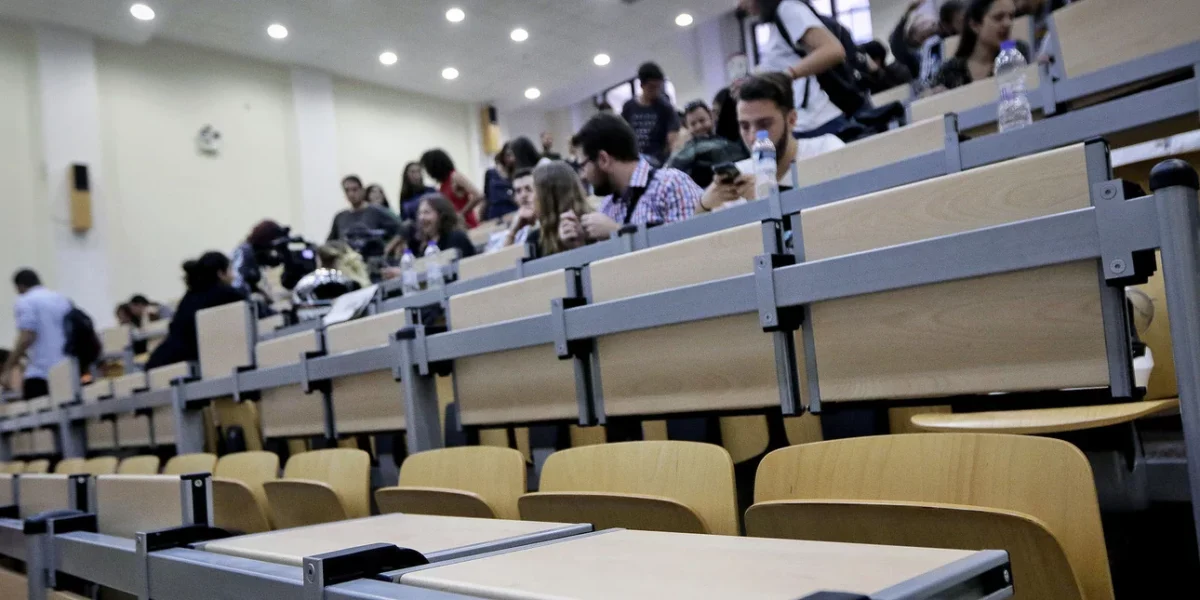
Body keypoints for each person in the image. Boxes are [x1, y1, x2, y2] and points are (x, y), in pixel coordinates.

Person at [697, 72, 845, 213]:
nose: (753, 137)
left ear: (791, 120)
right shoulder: (738, 178)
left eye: (764, 124)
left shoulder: (826, 150)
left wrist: (768, 200)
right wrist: (704, 206)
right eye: (745, 126)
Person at [572, 113, 702, 241]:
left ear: (603, 159)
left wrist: (618, 232)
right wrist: (577, 243)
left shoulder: (671, 184)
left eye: (583, 166)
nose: (582, 175)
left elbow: (692, 244)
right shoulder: (607, 208)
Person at [739, 0, 850, 138]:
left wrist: (787, 76)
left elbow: (833, 50)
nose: (740, 5)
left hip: (818, 120)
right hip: (804, 121)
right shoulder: (777, 23)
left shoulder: (788, 9)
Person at [145, 252, 246, 370]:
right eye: (230, 270)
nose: (233, 276)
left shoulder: (189, 296)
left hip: (161, 361)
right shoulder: (226, 293)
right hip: (182, 364)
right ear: (220, 273)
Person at [1, 269, 72, 399]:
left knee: (39, 408)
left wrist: (9, 366)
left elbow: (26, 336)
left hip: (41, 372)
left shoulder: (25, 301)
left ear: (20, 286)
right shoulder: (62, 299)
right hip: (67, 369)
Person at [928, 0, 1026, 91]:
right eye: (998, 17)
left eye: (1011, 17)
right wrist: (930, 93)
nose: (1008, 23)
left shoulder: (1016, 53)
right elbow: (927, 95)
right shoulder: (951, 71)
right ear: (975, 25)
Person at [667, 101, 750, 188]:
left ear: (711, 117)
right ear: (687, 127)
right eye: (693, 124)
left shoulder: (727, 139)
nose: (699, 126)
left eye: (702, 120)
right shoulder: (685, 151)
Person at [620, 62, 681, 166]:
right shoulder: (629, 107)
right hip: (634, 158)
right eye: (652, 87)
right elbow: (622, 135)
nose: (656, 91)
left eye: (658, 87)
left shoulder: (665, 108)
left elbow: (672, 139)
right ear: (642, 85)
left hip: (656, 160)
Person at [534, 161, 594, 257]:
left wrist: (578, 244)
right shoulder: (535, 240)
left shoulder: (594, 226)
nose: (531, 198)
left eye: (533, 191)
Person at [328, 175, 403, 244]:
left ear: (362, 190)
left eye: (354, 189)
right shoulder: (340, 217)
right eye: (347, 190)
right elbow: (330, 242)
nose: (351, 194)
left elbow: (402, 229)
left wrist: (389, 248)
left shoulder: (376, 211)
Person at [420, 149, 484, 229]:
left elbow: (479, 195)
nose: (428, 173)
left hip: (467, 224)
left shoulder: (455, 177)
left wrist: (461, 213)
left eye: (427, 168)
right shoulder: (443, 184)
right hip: (455, 226)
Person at [407, 194, 478, 260]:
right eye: (420, 213)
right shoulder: (425, 248)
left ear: (441, 215)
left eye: (426, 212)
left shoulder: (457, 238)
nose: (421, 218)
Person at [917, 0, 966, 87]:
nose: (966, 24)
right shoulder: (934, 45)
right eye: (960, 21)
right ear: (947, 26)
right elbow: (927, 79)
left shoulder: (973, 36)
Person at [890, 0, 939, 77]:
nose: (929, 25)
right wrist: (907, 12)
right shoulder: (911, 58)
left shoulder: (935, 43)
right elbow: (896, 43)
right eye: (923, 24)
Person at [496, 168, 538, 250]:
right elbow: (501, 256)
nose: (523, 195)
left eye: (528, 189)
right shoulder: (513, 229)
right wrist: (513, 232)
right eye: (518, 191)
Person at [483, 145, 518, 222]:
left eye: (514, 155)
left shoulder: (517, 173)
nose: (511, 158)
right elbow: (486, 196)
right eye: (508, 155)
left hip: (512, 211)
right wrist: (482, 215)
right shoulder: (490, 173)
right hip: (494, 213)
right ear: (503, 155)